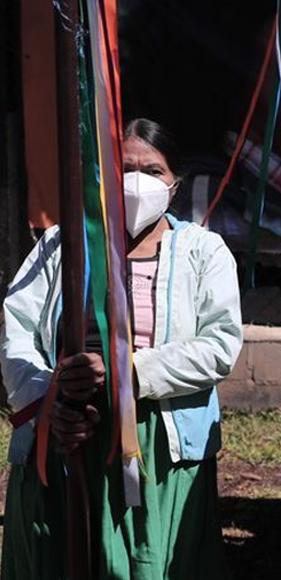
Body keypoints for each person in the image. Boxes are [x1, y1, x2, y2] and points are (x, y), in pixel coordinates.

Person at [0, 118, 243, 579]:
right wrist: (48, 400)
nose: (136, 182)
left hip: (156, 442)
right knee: (62, 556)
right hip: (66, 428)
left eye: (151, 171)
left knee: (147, 560)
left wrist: (126, 372)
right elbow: (17, 331)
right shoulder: (62, 243)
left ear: (175, 184)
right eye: (124, 168)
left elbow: (219, 344)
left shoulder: (202, 250)